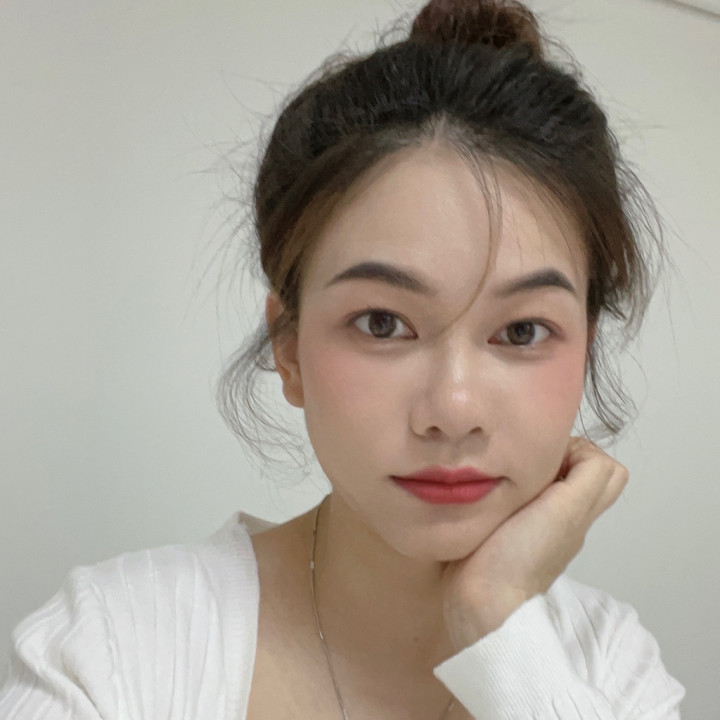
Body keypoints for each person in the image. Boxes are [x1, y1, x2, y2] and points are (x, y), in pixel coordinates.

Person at [0, 0, 686, 718]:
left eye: (521, 332)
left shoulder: (612, 667)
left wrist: (498, 623)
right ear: (289, 348)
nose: (453, 411)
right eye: (382, 323)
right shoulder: (112, 650)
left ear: (586, 346)